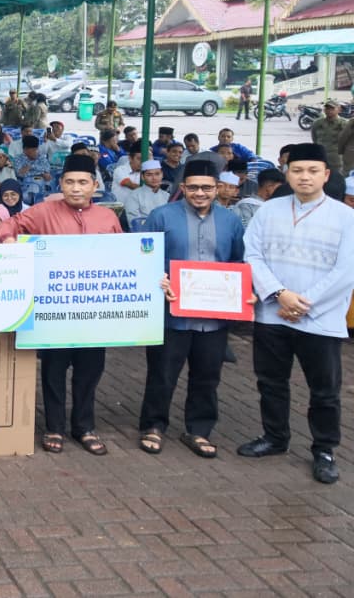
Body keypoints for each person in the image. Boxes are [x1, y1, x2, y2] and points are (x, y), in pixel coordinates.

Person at [239, 143, 354, 484]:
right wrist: (279, 295)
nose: (305, 177)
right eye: (298, 170)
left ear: (326, 175)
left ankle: (324, 449)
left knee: (324, 390)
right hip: (273, 315)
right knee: (271, 382)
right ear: (287, 173)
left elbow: (346, 271)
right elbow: (252, 255)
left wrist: (303, 303)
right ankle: (275, 438)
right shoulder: (268, 211)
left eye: (313, 171)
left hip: (320, 320)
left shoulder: (345, 217)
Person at [0, 153, 122, 456]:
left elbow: (125, 257)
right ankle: (54, 427)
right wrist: (9, 240)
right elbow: (6, 225)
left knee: (90, 371)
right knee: (54, 371)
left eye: (82, 182)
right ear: (60, 184)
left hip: (94, 311)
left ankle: (84, 426)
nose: (76, 188)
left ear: (95, 185)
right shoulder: (43, 212)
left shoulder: (108, 219)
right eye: (69, 182)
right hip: (55, 311)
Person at [137, 160, 245, 460]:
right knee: (162, 374)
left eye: (207, 188)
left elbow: (238, 261)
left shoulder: (231, 221)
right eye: (194, 187)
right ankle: (153, 426)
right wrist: (160, 278)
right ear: (183, 187)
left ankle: (198, 430)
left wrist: (239, 287)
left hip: (214, 318)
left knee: (208, 376)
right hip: (171, 315)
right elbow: (144, 258)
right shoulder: (161, 217)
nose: (200, 193)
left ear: (217, 188)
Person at [122, 160, 168, 230]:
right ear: (142, 177)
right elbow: (135, 223)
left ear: (162, 175)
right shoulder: (134, 196)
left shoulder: (167, 196)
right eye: (149, 175)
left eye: (157, 174)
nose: (154, 178)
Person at [310, 101, 347, 176]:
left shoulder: (344, 124)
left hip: (337, 161)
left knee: (337, 182)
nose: (329, 110)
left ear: (339, 109)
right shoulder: (317, 123)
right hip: (320, 159)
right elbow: (315, 139)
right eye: (327, 108)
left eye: (332, 108)